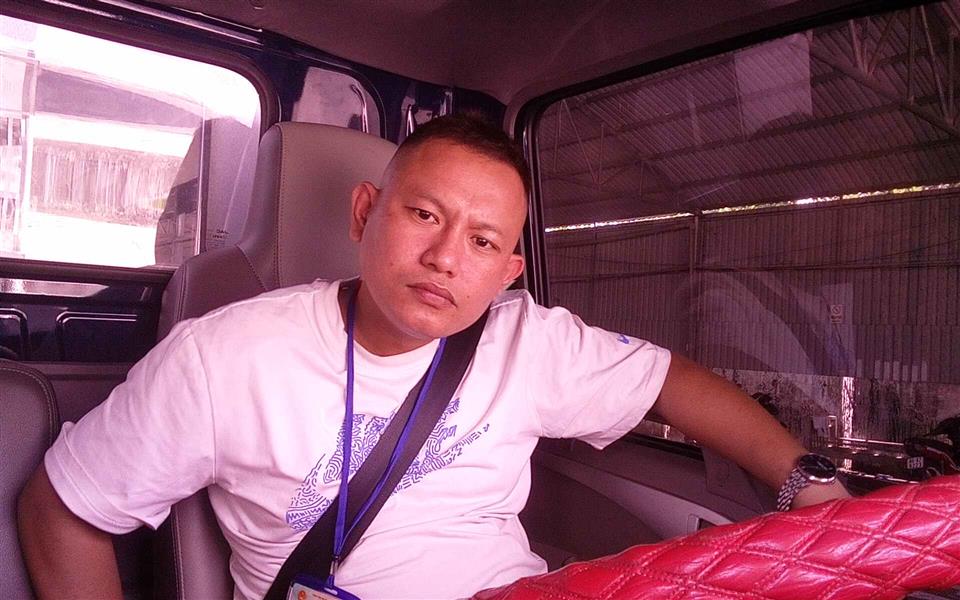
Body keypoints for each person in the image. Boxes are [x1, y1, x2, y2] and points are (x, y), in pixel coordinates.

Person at [17, 115, 849, 599]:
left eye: (483, 241)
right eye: (423, 215)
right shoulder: (223, 357)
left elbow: (673, 381)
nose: (447, 257)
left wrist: (812, 488)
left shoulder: (529, 343)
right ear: (365, 213)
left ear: (508, 270)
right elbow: (62, 508)